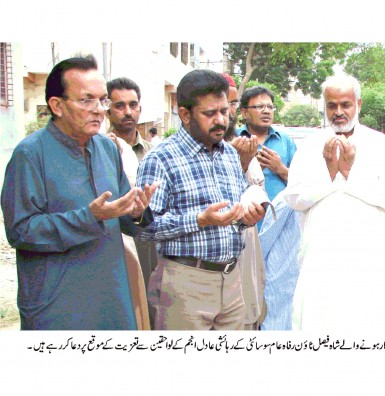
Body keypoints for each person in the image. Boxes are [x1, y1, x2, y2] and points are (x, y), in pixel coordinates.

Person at [0, 55, 157, 330]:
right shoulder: (30, 154)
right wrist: (88, 217)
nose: (99, 110)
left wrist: (136, 213)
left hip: (111, 296)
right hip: (58, 303)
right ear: (57, 105)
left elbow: (122, 216)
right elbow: (20, 230)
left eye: (102, 100)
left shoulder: (108, 149)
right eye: (87, 100)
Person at [135, 69, 266, 330]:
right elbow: (145, 228)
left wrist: (247, 218)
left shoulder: (229, 154)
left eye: (224, 111)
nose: (220, 120)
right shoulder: (160, 159)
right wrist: (199, 220)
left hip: (231, 281)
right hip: (185, 283)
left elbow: (233, 216)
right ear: (185, 115)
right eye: (209, 114)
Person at [284, 74, 385, 331]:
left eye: (345, 105)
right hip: (322, 260)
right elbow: (294, 198)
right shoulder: (310, 146)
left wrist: (350, 173)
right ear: (324, 107)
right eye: (331, 105)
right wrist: (329, 173)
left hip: (369, 261)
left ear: (358, 105)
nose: (338, 112)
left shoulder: (380, 144)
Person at [106, 76, 158, 329]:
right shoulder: (100, 150)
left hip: (151, 242)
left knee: (151, 308)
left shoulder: (155, 152)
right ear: (107, 108)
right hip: (115, 243)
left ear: (140, 108)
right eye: (119, 105)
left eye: (133, 105)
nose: (127, 112)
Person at [223, 73, 267, 330]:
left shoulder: (243, 145)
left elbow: (258, 188)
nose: (226, 112)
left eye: (230, 104)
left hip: (249, 244)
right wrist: (239, 162)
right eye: (220, 105)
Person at [237, 86, 297, 203]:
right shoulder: (233, 140)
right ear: (244, 112)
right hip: (244, 217)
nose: (266, 111)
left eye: (270, 107)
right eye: (259, 107)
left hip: (281, 217)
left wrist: (280, 169)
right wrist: (248, 168)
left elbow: (303, 184)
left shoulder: (286, 141)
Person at [259, 192, 301, 330]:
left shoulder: (316, 198)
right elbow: (263, 244)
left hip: (299, 283)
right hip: (277, 286)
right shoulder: (286, 201)